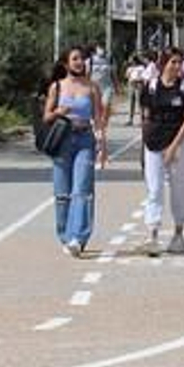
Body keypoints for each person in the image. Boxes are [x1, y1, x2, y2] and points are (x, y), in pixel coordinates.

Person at [43, 47, 109, 258]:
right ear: (66, 64)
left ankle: (77, 238)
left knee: (82, 190)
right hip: (62, 140)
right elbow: (46, 116)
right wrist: (58, 112)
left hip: (84, 139)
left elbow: (98, 119)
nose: (80, 62)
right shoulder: (57, 87)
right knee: (62, 193)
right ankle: (64, 235)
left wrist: (102, 144)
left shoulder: (92, 87)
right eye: (75, 59)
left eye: (82, 58)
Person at [141, 47, 184, 256]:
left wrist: (173, 147)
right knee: (154, 188)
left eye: (179, 62)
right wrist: (145, 141)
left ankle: (178, 233)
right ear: (163, 64)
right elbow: (145, 116)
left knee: (179, 188)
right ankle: (152, 234)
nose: (176, 66)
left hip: (178, 142)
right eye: (172, 62)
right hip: (154, 141)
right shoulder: (151, 87)